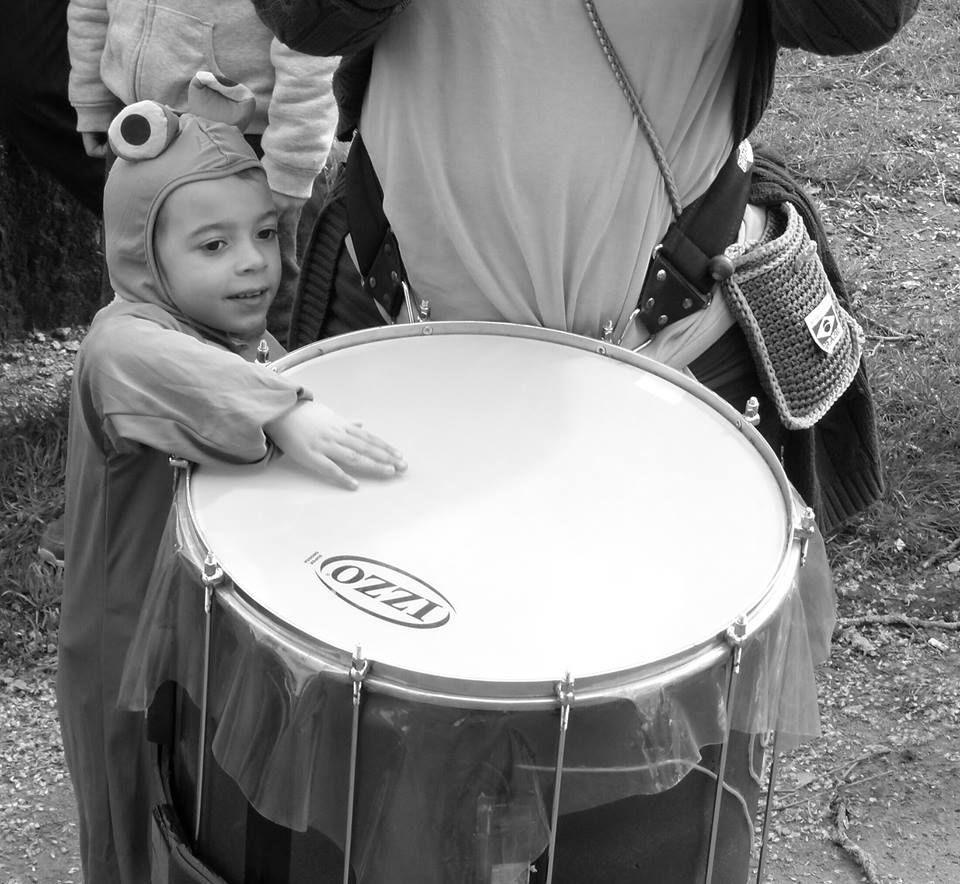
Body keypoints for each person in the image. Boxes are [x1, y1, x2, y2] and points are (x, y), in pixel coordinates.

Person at [243, 2, 916, 883]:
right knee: (388, 755)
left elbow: (853, 14)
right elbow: (310, 14)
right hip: (402, 336)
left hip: (664, 360)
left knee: (643, 792)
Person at [56, 85, 406, 884]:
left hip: (191, 642)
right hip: (120, 652)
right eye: (212, 247)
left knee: (197, 816)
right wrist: (285, 411)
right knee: (131, 827)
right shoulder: (123, 343)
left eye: (262, 235)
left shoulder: (239, 342)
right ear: (143, 257)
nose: (252, 261)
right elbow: (185, 380)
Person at [65, 0, 339, 341]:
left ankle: (278, 389)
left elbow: (314, 38)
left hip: (249, 142)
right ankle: (144, 387)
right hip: (142, 126)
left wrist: (289, 164)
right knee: (135, 286)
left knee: (267, 305)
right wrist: (92, 92)